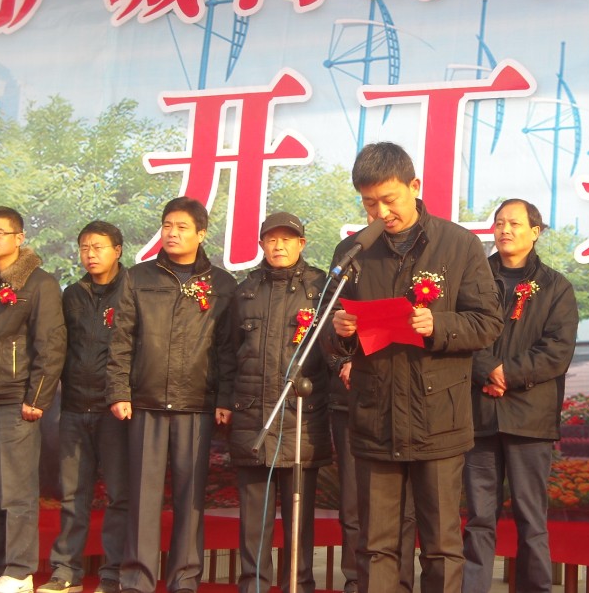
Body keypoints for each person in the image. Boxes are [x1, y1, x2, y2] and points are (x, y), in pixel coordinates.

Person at [325, 142, 503, 593]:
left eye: (390, 199)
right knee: (376, 544)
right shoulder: (352, 252)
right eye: (370, 203)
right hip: (375, 416)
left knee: (441, 544)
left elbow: (488, 322)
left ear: (414, 186)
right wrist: (341, 331)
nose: (381, 212)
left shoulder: (458, 244)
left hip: (437, 417)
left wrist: (438, 325)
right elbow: (327, 332)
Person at [106, 197, 236, 593]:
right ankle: (137, 580)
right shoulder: (138, 277)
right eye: (167, 225)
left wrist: (224, 399)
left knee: (190, 499)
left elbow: (228, 349)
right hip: (144, 402)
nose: (172, 233)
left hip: (196, 404)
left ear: (201, 233)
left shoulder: (222, 284)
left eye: (181, 227)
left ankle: (184, 580)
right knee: (142, 498)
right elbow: (121, 339)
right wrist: (119, 390)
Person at [462, 199, 578, 593]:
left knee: (532, 519)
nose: (505, 230)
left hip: (530, 419)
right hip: (479, 414)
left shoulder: (556, 287)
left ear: (535, 231)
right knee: (478, 518)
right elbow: (460, 333)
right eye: (499, 223)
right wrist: (486, 370)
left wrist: (507, 374)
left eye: (514, 223)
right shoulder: (472, 280)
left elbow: (557, 349)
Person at [228, 212, 332, 593]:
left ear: (301, 244)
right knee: (253, 521)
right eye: (271, 239)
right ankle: (253, 586)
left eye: (287, 239)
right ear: (261, 244)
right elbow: (229, 354)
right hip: (253, 419)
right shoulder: (245, 291)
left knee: (298, 519)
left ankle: (298, 585)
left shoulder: (321, 287)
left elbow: (334, 350)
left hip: (301, 419)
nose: (279, 246)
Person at [36, 222, 128, 593]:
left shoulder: (133, 291)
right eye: (85, 247)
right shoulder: (72, 294)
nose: (91, 254)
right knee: (74, 495)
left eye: (98, 247)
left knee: (119, 495)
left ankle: (113, 573)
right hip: (74, 406)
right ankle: (66, 572)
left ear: (117, 250)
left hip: (115, 409)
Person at [0, 206, 66, 593]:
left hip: (15, 400)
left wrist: (38, 397)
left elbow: (51, 345)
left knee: (17, 492)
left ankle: (19, 571)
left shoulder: (39, 283)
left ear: (19, 238)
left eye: (0, 232)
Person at [328, 357, 416, 593]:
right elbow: (327, 341)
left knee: (406, 510)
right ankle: (355, 583)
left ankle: (401, 585)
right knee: (353, 504)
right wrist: (343, 361)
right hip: (349, 405)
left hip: (403, 405)